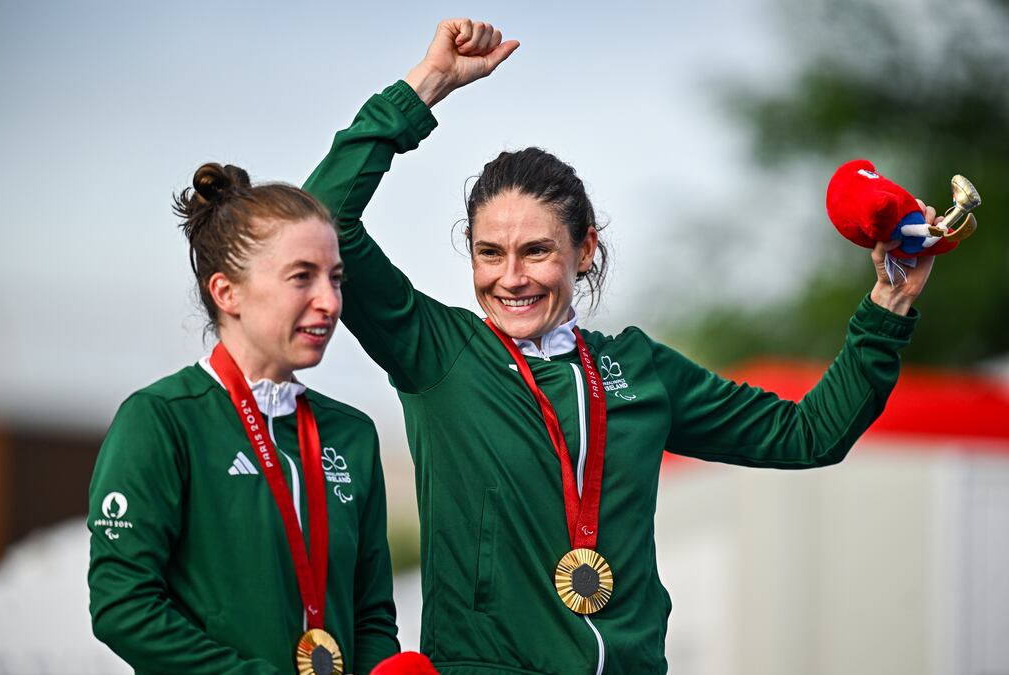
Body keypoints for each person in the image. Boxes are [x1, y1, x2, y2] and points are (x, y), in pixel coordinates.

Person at [302, 19, 939, 674]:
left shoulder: (638, 369)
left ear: (584, 250)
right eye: (489, 253)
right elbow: (318, 217)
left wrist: (889, 303)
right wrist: (426, 87)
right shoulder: (437, 352)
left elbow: (807, 433)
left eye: (537, 251)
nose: (511, 277)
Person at [88, 163, 400, 674]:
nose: (329, 302)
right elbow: (123, 608)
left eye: (336, 278)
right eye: (302, 277)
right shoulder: (160, 420)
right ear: (226, 292)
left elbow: (370, 617)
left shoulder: (353, 434)